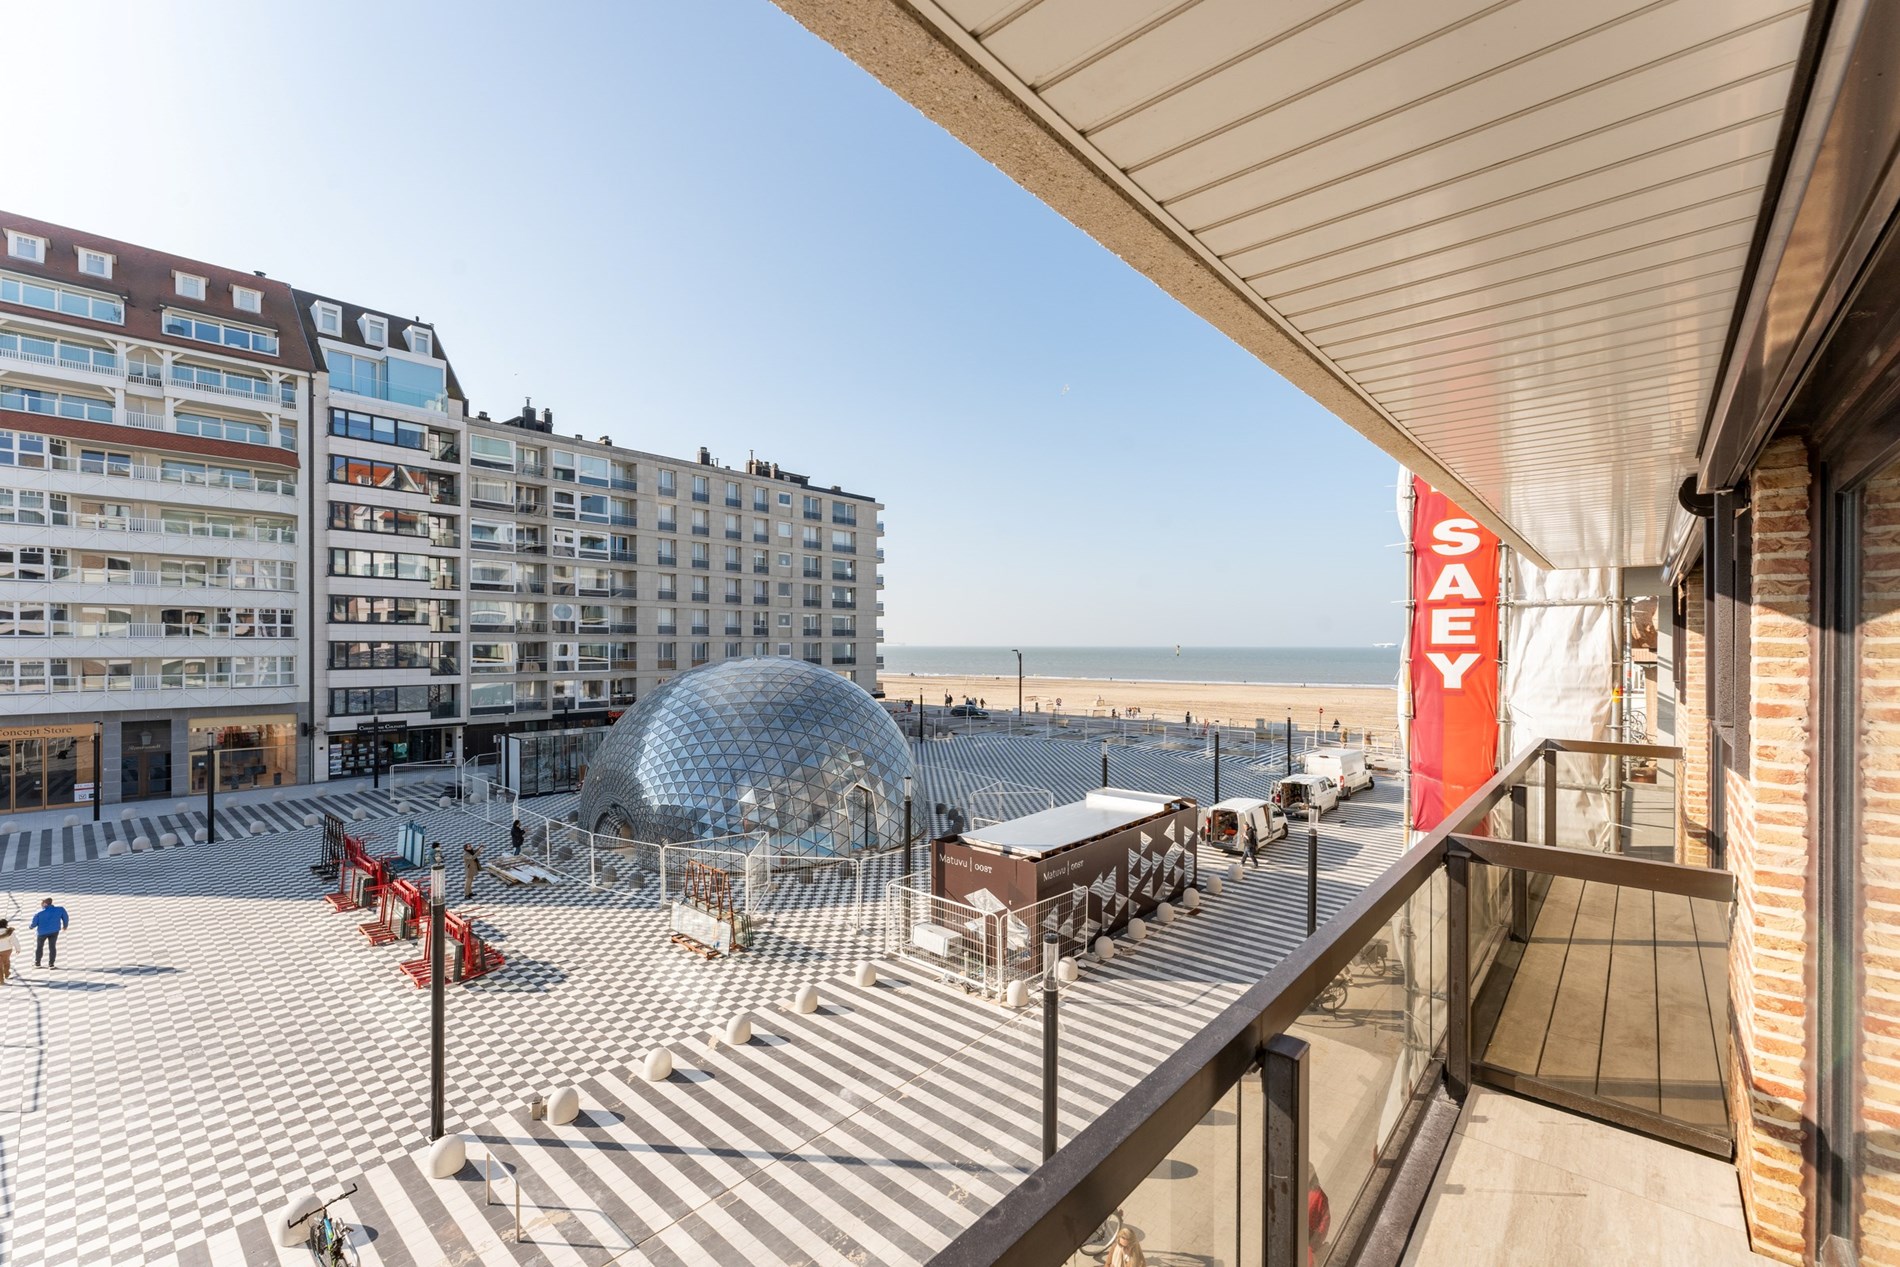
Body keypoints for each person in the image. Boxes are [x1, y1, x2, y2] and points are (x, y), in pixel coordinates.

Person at [30, 898, 68, 969]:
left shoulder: (39, 913)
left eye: (42, 903)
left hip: (42, 933)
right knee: (52, 947)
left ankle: (37, 963)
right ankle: (51, 964)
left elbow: (34, 924)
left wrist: (31, 927)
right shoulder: (60, 909)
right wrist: (65, 926)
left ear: (45, 904)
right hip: (54, 931)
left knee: (39, 947)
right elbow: (66, 917)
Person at [0, 918, 14, 984]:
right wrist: (18, 948)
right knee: (6, 962)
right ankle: (7, 973)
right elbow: (14, 940)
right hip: (7, 950)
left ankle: (1, 980)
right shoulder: (9, 931)